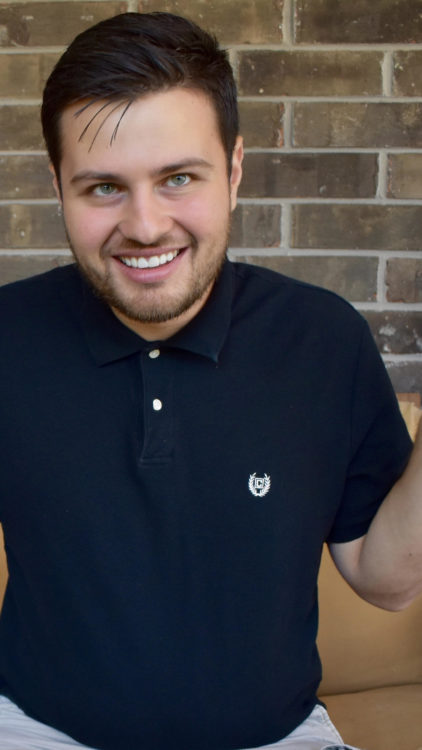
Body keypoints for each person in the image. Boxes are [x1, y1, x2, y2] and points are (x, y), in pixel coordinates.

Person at [0, 11, 421, 750]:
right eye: (103, 188)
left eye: (178, 179)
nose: (146, 225)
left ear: (233, 171)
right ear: (58, 185)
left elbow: (386, 581)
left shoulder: (323, 338)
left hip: (279, 736)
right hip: (37, 730)